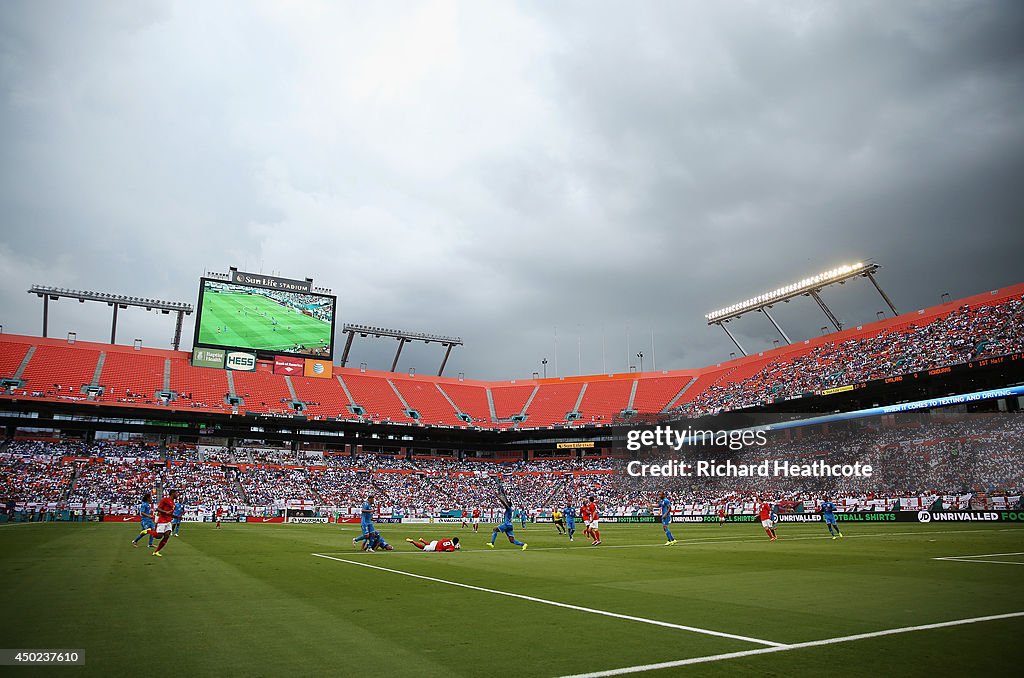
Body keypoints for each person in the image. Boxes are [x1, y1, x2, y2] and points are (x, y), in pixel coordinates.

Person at [148, 489, 178, 557]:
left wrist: (177, 517)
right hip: (162, 520)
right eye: (176, 493)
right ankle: (148, 531)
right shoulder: (165, 500)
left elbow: (170, 514)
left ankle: (156, 551)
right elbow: (158, 509)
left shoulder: (173, 504)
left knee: (167, 535)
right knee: (159, 536)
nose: (177, 495)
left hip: (168, 521)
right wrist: (165, 512)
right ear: (172, 493)